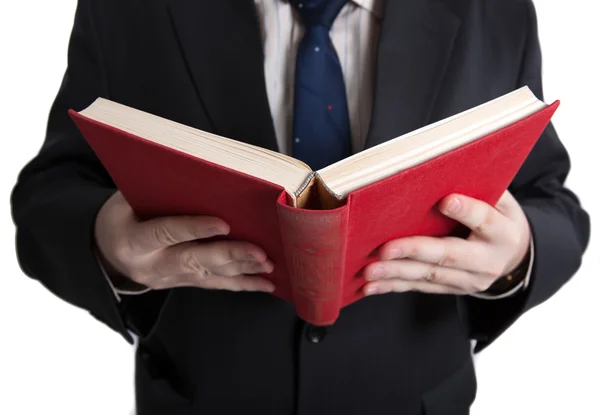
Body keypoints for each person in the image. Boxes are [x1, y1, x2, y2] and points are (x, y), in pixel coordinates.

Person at [11, 0, 590, 414]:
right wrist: (104, 246)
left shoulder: (496, 9)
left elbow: (550, 199)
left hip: (416, 396)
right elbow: (49, 194)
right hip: (199, 396)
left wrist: (518, 253)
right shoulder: (128, 10)